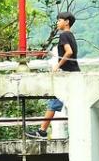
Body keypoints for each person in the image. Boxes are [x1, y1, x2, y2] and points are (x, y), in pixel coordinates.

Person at [27, 11, 79, 139]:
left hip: (66, 74)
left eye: (59, 20)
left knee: (54, 101)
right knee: (63, 102)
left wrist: (58, 65)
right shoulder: (71, 35)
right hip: (74, 73)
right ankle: (43, 130)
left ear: (66, 22)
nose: (57, 22)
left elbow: (69, 52)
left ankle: (42, 131)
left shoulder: (64, 36)